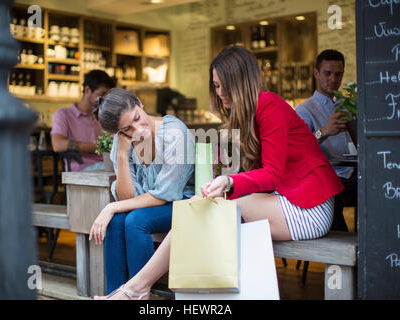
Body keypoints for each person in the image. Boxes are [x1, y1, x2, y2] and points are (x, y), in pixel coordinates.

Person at [93, 46, 344, 300]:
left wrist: (229, 181)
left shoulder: (270, 105)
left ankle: (136, 289)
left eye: (223, 85)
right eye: (216, 86)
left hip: (308, 207)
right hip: (286, 200)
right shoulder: (247, 113)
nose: (220, 93)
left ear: (240, 81)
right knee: (199, 209)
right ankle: (135, 289)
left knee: (200, 212)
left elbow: (273, 174)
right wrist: (222, 174)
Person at [89, 88, 195, 297]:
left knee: (135, 220)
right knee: (117, 220)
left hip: (184, 202)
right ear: (118, 132)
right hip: (149, 206)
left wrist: (111, 206)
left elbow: (167, 193)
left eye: (137, 118)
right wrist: (121, 155)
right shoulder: (123, 142)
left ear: (139, 102)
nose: (138, 129)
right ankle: (117, 293)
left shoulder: (174, 133)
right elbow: (128, 198)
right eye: (128, 128)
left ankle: (140, 292)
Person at [295, 50, 357, 231]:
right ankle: (340, 253)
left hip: (353, 173)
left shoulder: (346, 106)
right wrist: (324, 132)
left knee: (377, 189)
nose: (333, 79)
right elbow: (298, 150)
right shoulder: (304, 110)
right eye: (327, 73)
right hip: (328, 178)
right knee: (331, 193)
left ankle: (368, 246)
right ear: (316, 74)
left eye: (338, 74)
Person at [51, 70, 117, 171]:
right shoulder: (64, 114)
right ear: (87, 90)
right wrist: (97, 147)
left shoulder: (103, 116)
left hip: (106, 166)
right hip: (82, 170)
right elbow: (57, 144)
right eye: (102, 94)